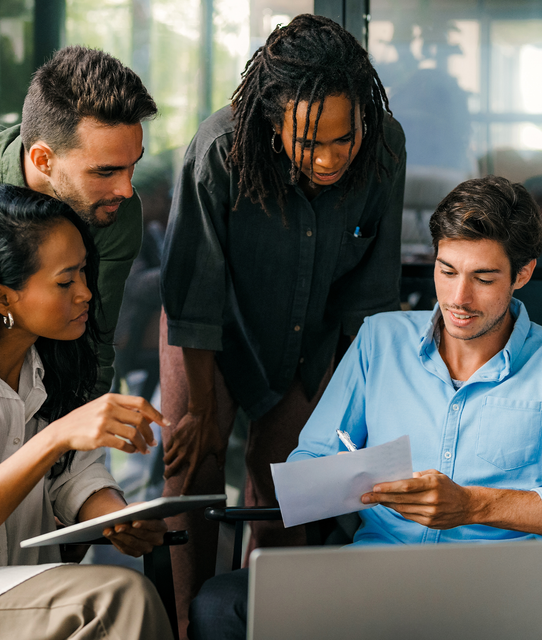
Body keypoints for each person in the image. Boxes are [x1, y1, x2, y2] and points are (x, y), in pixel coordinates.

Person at [188, 175, 542, 640]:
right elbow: (308, 462)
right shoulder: (380, 339)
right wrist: (360, 479)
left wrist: (472, 506)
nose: (459, 298)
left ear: (523, 274)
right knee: (220, 604)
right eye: (447, 270)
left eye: (483, 277)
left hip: (499, 580)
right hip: (373, 568)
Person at [159, 13, 406, 636]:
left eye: (341, 140)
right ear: (273, 123)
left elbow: (369, 294)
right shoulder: (220, 147)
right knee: (195, 464)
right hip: (209, 328)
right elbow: (195, 289)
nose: (328, 159)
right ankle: (190, 623)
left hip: (311, 335)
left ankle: (264, 622)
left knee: (292, 483)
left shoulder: (384, 148)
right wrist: (202, 411)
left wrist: (348, 400)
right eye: (307, 143)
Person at [0, 185, 172, 639]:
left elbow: (76, 478)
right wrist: (55, 438)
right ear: (2, 298)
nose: (87, 293)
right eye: (65, 282)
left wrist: (117, 519)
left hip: (26, 589)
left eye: (85, 274)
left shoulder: (51, 367)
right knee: (115, 598)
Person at [0, 45, 158, 396]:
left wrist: (81, 441)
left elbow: (92, 347)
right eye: (105, 171)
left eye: (133, 164)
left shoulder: (115, 209)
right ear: (43, 160)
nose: (125, 189)